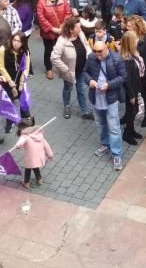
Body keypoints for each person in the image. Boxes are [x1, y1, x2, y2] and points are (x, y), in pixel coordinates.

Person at [82, 40, 127, 171]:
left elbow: (124, 76)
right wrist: (89, 80)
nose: (97, 54)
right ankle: (105, 144)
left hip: (111, 98)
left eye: (100, 51)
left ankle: (116, 154)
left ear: (106, 48)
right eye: (95, 51)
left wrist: (110, 85)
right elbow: (85, 72)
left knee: (114, 127)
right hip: (96, 98)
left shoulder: (117, 58)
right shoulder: (91, 57)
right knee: (100, 124)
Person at [51, 16, 93, 120]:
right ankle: (67, 106)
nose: (80, 29)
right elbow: (54, 57)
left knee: (81, 90)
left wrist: (89, 53)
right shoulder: (62, 41)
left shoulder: (81, 34)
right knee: (68, 89)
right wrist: (65, 69)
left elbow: (86, 45)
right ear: (71, 30)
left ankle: (84, 111)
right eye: (78, 28)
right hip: (70, 72)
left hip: (82, 69)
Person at [14, 116, 54, 188]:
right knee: (35, 166)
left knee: (28, 168)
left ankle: (26, 183)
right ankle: (39, 179)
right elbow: (46, 145)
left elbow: (20, 142)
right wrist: (50, 155)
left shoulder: (25, 136)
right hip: (39, 157)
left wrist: (18, 146)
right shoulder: (39, 134)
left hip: (30, 157)